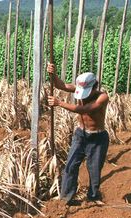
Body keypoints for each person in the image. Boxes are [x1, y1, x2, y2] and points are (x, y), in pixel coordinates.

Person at [47, 63, 109, 205]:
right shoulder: (80, 89)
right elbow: (60, 85)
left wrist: (59, 103)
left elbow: (85, 109)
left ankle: (93, 197)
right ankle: (66, 198)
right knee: (70, 165)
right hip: (80, 135)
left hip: (97, 138)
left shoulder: (102, 97)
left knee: (94, 169)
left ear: (94, 87)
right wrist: (53, 74)